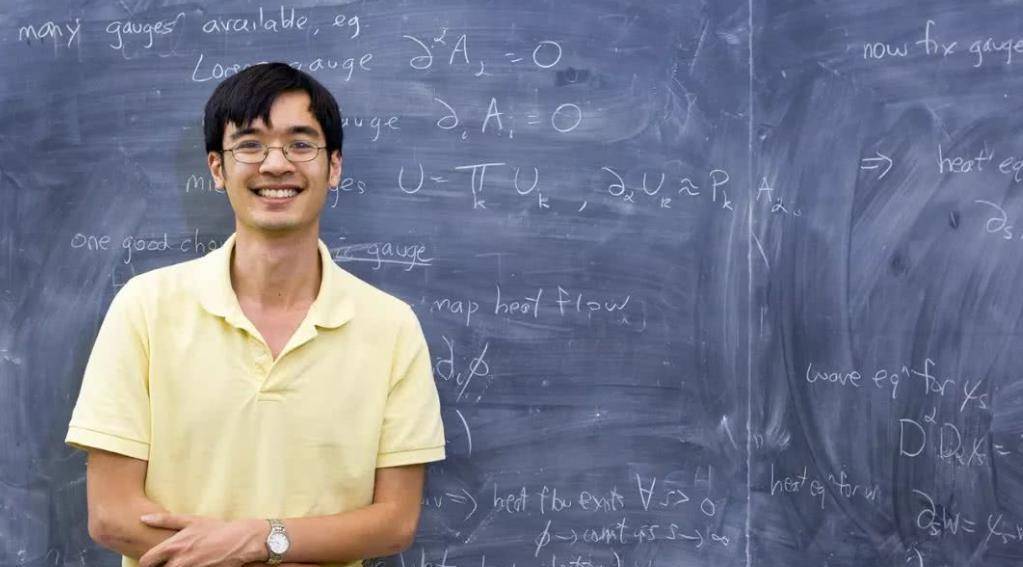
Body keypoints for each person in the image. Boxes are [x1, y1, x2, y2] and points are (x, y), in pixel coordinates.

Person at [64, 62, 446, 567]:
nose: (276, 164)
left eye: (301, 144)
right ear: (217, 168)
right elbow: (112, 514)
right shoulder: (145, 307)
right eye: (249, 145)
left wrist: (262, 538)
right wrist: (258, 547)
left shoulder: (391, 326)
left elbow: (394, 522)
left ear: (334, 166)